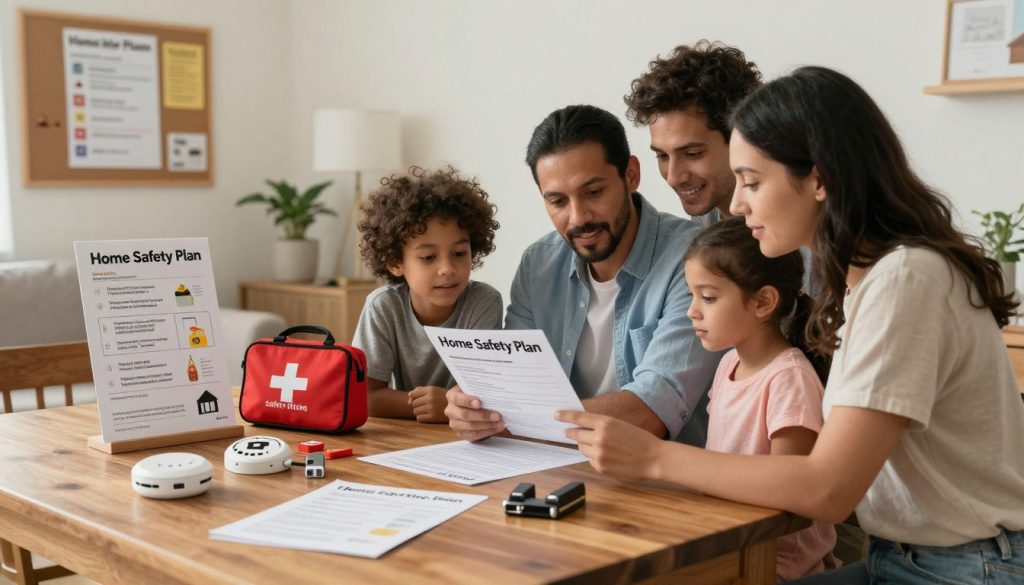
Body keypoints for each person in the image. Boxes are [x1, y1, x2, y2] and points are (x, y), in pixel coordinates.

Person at [557, 67, 1024, 583]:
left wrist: (653, 458)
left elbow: (827, 489)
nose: (736, 204)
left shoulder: (906, 279)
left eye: (752, 182)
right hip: (905, 558)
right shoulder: (869, 278)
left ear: (820, 179)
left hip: (970, 568)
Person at [445, 105, 720, 445]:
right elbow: (513, 384)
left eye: (593, 192)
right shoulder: (538, 264)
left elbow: (650, 411)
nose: (578, 218)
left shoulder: (695, 259)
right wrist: (474, 409)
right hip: (559, 467)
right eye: (558, 201)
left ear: (631, 175)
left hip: (665, 485)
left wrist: (515, 417)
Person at [685, 217, 835, 580]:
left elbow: (788, 495)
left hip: (778, 565)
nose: (693, 310)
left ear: (763, 301)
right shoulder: (727, 365)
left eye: (708, 297)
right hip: (728, 545)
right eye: (692, 295)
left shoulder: (789, 379)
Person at [353, 165, 503, 423]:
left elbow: (486, 397)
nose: (447, 269)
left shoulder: (484, 302)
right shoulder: (383, 306)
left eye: (459, 254)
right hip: (402, 437)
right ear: (394, 262)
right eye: (428, 257)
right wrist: (440, 405)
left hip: (465, 437)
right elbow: (365, 398)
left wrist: (447, 405)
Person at [624, 40, 761, 227]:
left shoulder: (802, 238)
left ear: (744, 140)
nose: (673, 177)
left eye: (692, 154)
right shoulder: (708, 211)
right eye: (662, 155)